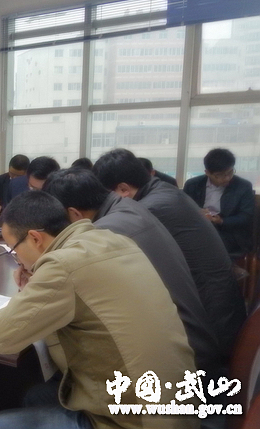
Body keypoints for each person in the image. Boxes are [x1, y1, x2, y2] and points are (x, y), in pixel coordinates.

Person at [0, 191, 197, 429]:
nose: (17, 259)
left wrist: (26, 292)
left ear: (35, 238)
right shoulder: (113, 240)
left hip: (134, 420)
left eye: (13, 249)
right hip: (177, 406)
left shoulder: (62, 265)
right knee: (35, 395)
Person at [43, 167, 222, 377]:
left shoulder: (104, 233)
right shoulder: (127, 206)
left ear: (74, 213)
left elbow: (65, 288)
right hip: (193, 339)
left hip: (177, 361)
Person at [93, 148, 246, 358]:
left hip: (211, 311)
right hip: (218, 297)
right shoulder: (164, 190)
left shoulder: (150, 208)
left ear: (123, 189)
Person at [183, 148, 254, 258]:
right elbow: (183, 210)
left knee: (204, 243)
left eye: (230, 172)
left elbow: (246, 217)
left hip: (229, 233)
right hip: (198, 228)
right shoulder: (193, 184)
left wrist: (221, 221)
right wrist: (197, 213)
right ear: (207, 173)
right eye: (220, 175)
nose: (227, 178)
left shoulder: (243, 186)